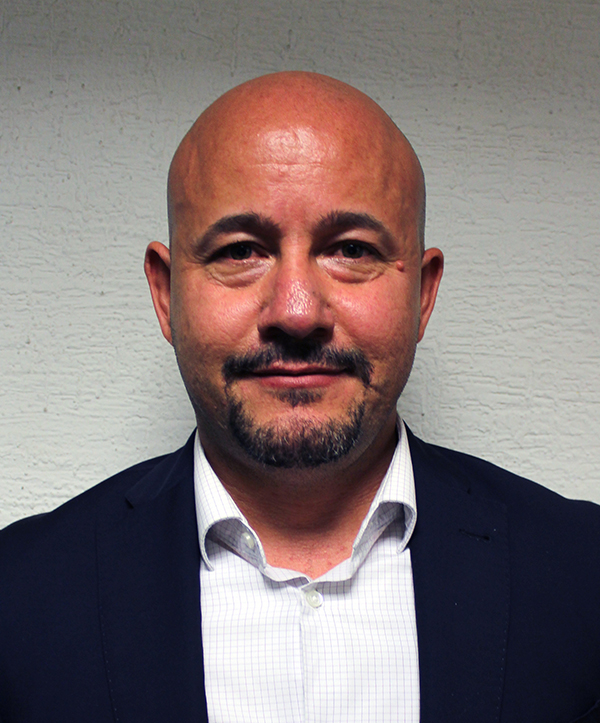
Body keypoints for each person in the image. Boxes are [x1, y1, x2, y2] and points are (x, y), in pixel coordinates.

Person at [1, 71, 599, 723]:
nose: (295, 311)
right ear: (166, 294)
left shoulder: (583, 576)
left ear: (423, 295)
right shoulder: (18, 598)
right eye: (240, 251)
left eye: (351, 250)